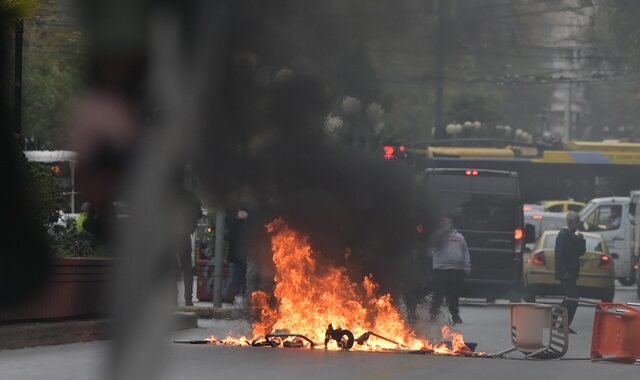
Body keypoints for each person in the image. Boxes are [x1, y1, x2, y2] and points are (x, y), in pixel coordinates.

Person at [429, 217, 471, 324]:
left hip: (456, 270)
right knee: (438, 293)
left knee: (454, 294)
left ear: (451, 224)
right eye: (443, 222)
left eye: (447, 222)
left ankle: (455, 315)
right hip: (441, 269)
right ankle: (434, 314)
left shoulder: (459, 237)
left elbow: (465, 252)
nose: (445, 224)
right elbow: (431, 249)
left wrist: (467, 266)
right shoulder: (437, 236)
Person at [555, 211, 586, 330]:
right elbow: (559, 255)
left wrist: (581, 240)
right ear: (571, 222)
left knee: (572, 298)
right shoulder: (563, 235)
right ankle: (556, 314)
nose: (578, 224)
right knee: (572, 298)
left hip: (573, 272)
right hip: (566, 273)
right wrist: (564, 271)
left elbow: (580, 252)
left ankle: (563, 324)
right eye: (577, 222)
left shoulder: (574, 236)